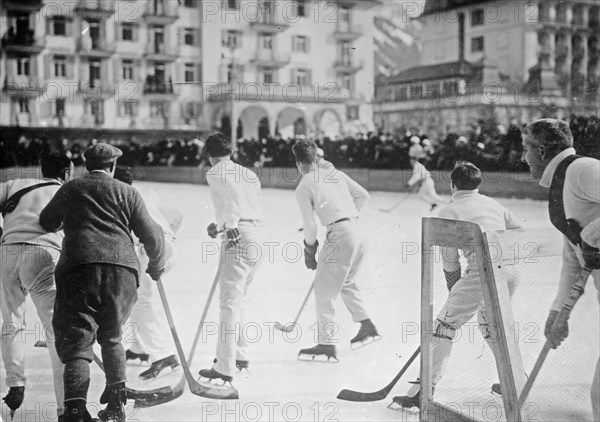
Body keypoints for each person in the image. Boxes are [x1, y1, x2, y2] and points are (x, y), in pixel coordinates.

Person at [40, 143, 166, 422]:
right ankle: (116, 407)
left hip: (78, 270)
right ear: (113, 167)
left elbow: (47, 220)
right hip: (122, 273)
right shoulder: (128, 192)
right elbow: (154, 236)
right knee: (112, 338)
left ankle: (74, 411)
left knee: (77, 342)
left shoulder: (71, 188)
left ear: (85, 166)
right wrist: (156, 266)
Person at [392, 161, 522, 409]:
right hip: (510, 272)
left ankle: (423, 390)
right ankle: (515, 380)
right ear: (478, 184)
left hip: (481, 273)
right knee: (491, 324)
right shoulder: (493, 204)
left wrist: (456, 289)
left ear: (452, 185)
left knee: (444, 326)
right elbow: (519, 229)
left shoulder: (449, 211)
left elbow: (450, 260)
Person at [521, 118, 599, 421]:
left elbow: (588, 236)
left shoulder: (583, 170)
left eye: (526, 149)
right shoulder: (561, 180)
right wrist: (558, 311)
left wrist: (593, 232)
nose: (523, 157)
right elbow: (573, 253)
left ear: (542, 152)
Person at [0, 153, 73, 421]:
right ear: (67, 171)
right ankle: (66, 406)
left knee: (12, 323)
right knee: (56, 331)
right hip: (43, 254)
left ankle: (15, 382)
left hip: (7, 254)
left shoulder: (14, 185)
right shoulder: (66, 189)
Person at [293, 140, 380, 362]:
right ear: (316, 158)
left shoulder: (304, 185)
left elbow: (310, 226)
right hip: (359, 230)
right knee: (346, 282)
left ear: (298, 162)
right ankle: (366, 323)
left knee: (324, 291)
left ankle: (327, 343)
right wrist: (345, 217)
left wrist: (309, 250)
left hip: (342, 233)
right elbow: (363, 196)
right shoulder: (335, 174)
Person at [197, 132, 264, 383]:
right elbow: (243, 201)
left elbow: (233, 197)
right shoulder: (248, 173)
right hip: (256, 236)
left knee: (229, 304)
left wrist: (231, 224)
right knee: (238, 300)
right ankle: (240, 355)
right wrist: (220, 224)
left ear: (209, 154)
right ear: (231, 152)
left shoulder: (215, 171)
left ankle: (225, 367)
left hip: (239, 237)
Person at [113, 167, 180, 381]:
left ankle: (163, 355)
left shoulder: (122, 198)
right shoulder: (142, 193)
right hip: (162, 245)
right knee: (135, 297)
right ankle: (139, 347)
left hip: (150, 249)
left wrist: (156, 257)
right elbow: (176, 216)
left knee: (140, 300)